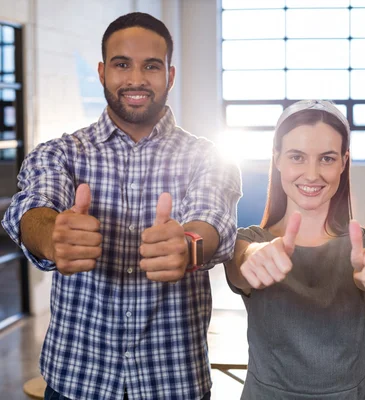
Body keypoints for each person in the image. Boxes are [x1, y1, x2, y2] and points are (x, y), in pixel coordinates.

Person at [2, 12, 241, 400]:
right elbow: (33, 206)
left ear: (170, 74)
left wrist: (187, 246)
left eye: (151, 66)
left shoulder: (207, 157)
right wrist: (52, 236)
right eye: (121, 65)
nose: (135, 79)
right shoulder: (60, 153)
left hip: (173, 381)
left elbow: (212, 220)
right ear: (101, 72)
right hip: (77, 380)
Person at [224, 99, 365, 399]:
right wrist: (253, 257)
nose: (311, 174)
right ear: (277, 159)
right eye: (297, 157)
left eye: (327, 159)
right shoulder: (247, 241)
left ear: (344, 162)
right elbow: (242, 260)